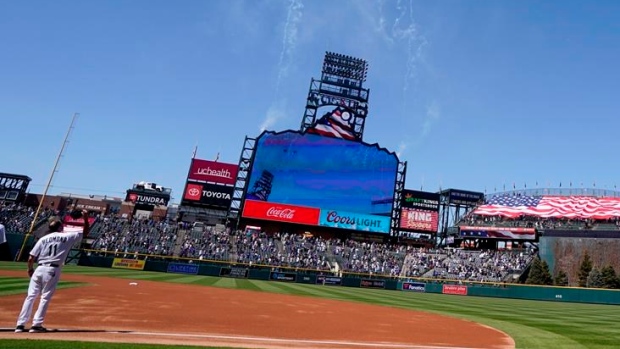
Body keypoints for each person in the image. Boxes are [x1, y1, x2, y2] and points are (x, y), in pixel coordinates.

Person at [15, 209, 90, 333]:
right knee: (45, 297)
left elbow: (31, 257)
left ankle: (20, 325)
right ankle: (36, 325)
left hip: (39, 268)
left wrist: (30, 269)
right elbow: (85, 232)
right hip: (52, 269)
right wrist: (85, 217)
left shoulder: (43, 239)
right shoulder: (67, 236)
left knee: (30, 296)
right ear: (60, 227)